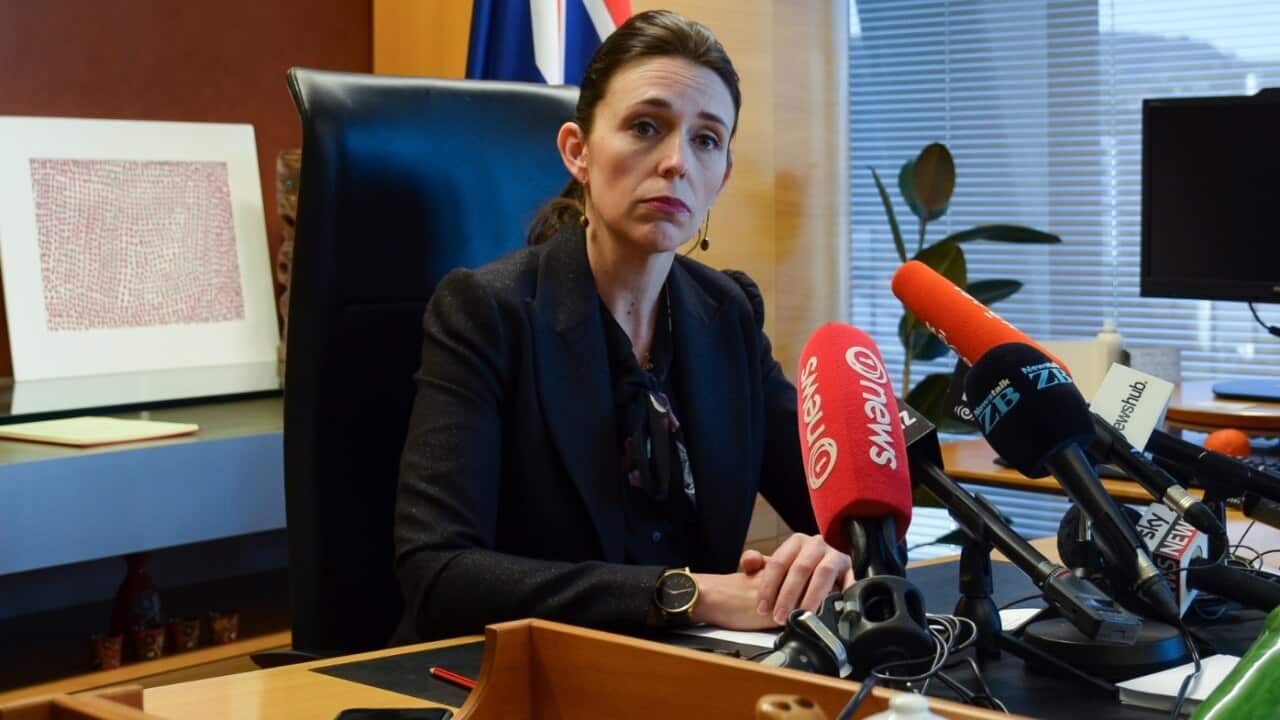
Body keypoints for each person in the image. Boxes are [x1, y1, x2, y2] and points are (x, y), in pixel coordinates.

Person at [391, 9, 853, 644]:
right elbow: (439, 574)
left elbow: (836, 508)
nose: (675, 162)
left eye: (706, 139)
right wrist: (689, 595)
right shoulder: (486, 312)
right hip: (509, 681)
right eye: (645, 127)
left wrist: (833, 555)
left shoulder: (729, 316)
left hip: (688, 679)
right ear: (577, 152)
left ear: (723, 176)